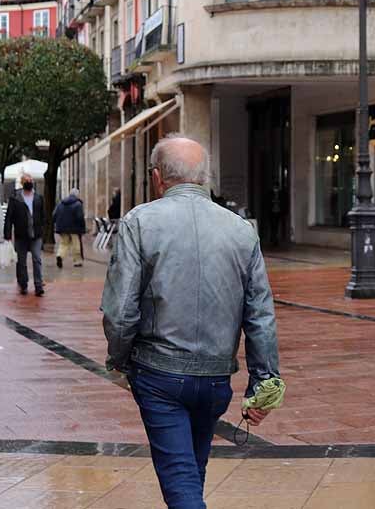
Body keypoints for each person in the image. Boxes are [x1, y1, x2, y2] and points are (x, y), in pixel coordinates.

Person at [102, 135, 281, 509]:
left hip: (159, 373)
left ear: (156, 177)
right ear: (203, 178)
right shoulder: (242, 230)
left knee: (181, 479)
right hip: (216, 379)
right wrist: (263, 382)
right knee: (191, 471)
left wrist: (118, 359)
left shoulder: (139, 222)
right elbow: (260, 315)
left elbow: (120, 311)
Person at [4, 173, 47, 296]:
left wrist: (42, 229)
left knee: (37, 259)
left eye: (31, 180)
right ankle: (23, 284)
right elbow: (9, 217)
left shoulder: (39, 198)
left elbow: (42, 215)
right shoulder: (15, 198)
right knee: (21, 261)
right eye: (27, 180)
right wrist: (7, 235)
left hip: (36, 234)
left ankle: (38, 285)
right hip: (21, 235)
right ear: (23, 183)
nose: (29, 182)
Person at [53, 188, 86, 269]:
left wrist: (56, 223)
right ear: (77, 195)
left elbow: (54, 214)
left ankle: (60, 255)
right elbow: (80, 217)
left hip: (62, 227)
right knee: (76, 244)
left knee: (64, 243)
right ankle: (77, 261)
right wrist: (82, 227)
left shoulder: (61, 203)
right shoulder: (78, 204)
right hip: (74, 228)